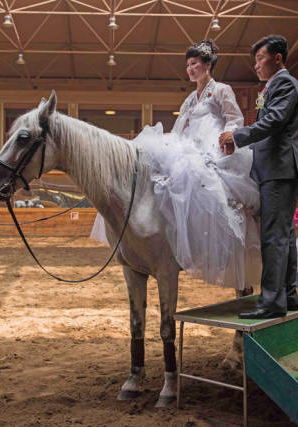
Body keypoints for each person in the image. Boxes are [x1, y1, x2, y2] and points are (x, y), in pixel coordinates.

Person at [90, 39, 261, 294]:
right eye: (188, 65)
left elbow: (234, 117)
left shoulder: (221, 90)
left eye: (194, 64)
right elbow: (180, 127)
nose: (190, 69)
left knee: (214, 189)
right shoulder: (190, 99)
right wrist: (169, 145)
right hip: (190, 143)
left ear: (207, 64)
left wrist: (229, 136)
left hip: (214, 144)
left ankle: (226, 242)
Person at [219, 34, 298, 319]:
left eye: (260, 58)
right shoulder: (273, 86)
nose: (256, 65)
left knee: (273, 237)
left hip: (280, 169)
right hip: (275, 168)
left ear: (277, 58)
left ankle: (271, 302)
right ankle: (289, 296)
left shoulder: (284, 83)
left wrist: (238, 135)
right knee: (285, 236)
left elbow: (274, 121)